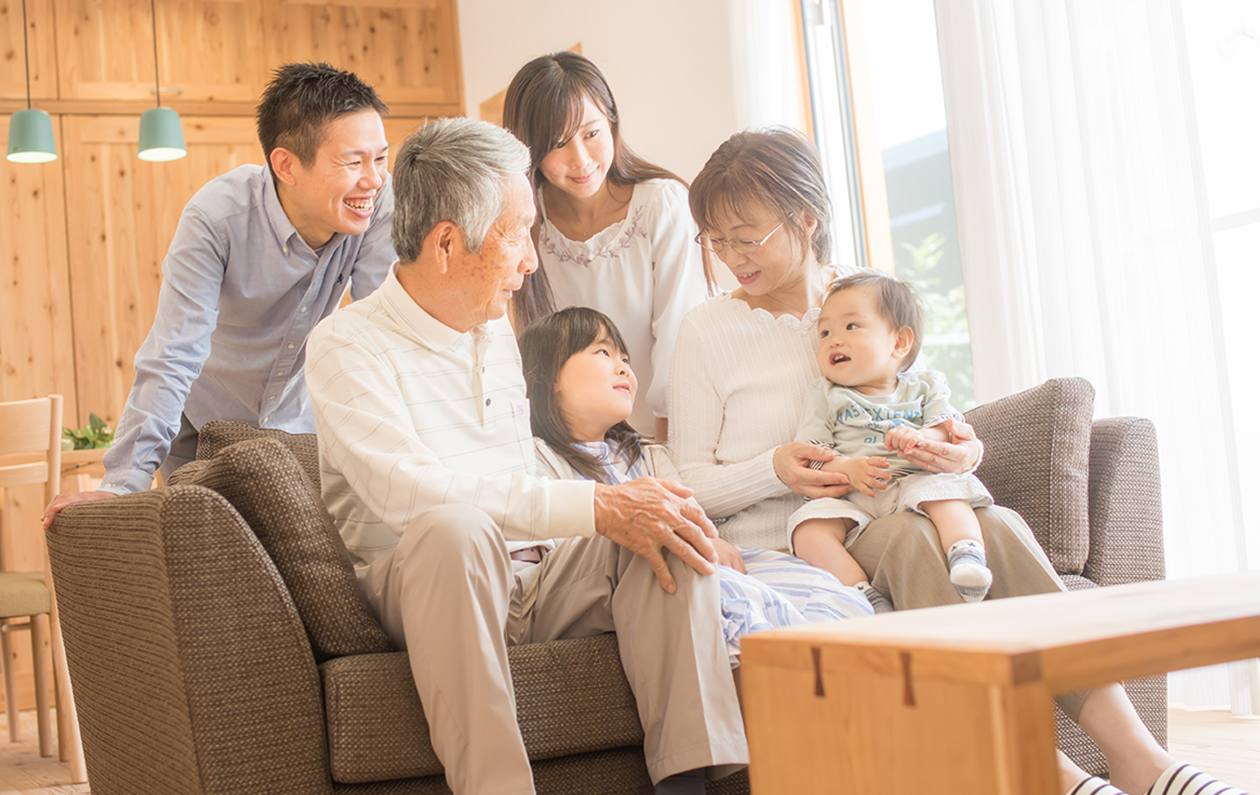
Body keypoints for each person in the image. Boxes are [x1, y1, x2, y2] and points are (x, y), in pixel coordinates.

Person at [669, 127, 1246, 795]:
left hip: (892, 496)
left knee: (995, 526)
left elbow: (920, 402)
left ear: (806, 219)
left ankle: (1142, 758)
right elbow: (685, 484)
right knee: (921, 539)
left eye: (747, 236)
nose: (731, 255)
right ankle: (1053, 773)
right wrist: (774, 466)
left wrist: (962, 445)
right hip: (808, 543)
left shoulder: (861, 300)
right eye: (715, 240)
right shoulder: (705, 331)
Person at [304, 116, 746, 795]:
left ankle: (699, 780)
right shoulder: (346, 345)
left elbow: (521, 472)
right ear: (447, 243)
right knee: (457, 526)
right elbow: (406, 491)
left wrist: (629, 501)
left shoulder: (493, 329)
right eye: (518, 235)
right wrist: (594, 503)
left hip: (534, 576)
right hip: (427, 579)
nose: (532, 260)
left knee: (662, 521)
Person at [41, 62, 394, 527]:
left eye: (381, 158)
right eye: (353, 162)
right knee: (210, 569)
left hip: (297, 424)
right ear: (286, 165)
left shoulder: (372, 207)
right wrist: (119, 487)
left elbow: (383, 331)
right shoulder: (215, 219)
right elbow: (173, 354)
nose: (373, 179)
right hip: (200, 429)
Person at [519, 306, 873, 667]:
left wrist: (713, 539)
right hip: (634, 577)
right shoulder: (535, 460)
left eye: (624, 357)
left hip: (701, 561)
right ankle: (784, 678)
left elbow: (694, 513)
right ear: (550, 375)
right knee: (735, 598)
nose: (624, 366)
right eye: (603, 352)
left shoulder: (647, 457)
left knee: (821, 590)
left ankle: (840, 674)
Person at [502, 51, 708, 440]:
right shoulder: (527, 223)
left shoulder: (661, 205)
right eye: (558, 144)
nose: (580, 159)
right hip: (575, 449)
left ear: (612, 122)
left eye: (591, 133)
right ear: (528, 149)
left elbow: (680, 340)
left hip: (667, 436)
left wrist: (660, 453)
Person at [789, 272, 996, 613]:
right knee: (807, 532)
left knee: (947, 493)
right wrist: (846, 468)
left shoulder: (926, 385)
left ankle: (966, 556)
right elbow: (811, 452)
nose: (833, 340)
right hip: (853, 495)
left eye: (851, 327)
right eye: (824, 332)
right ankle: (862, 594)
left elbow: (949, 429)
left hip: (913, 478)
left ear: (900, 343)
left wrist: (921, 438)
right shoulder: (824, 393)